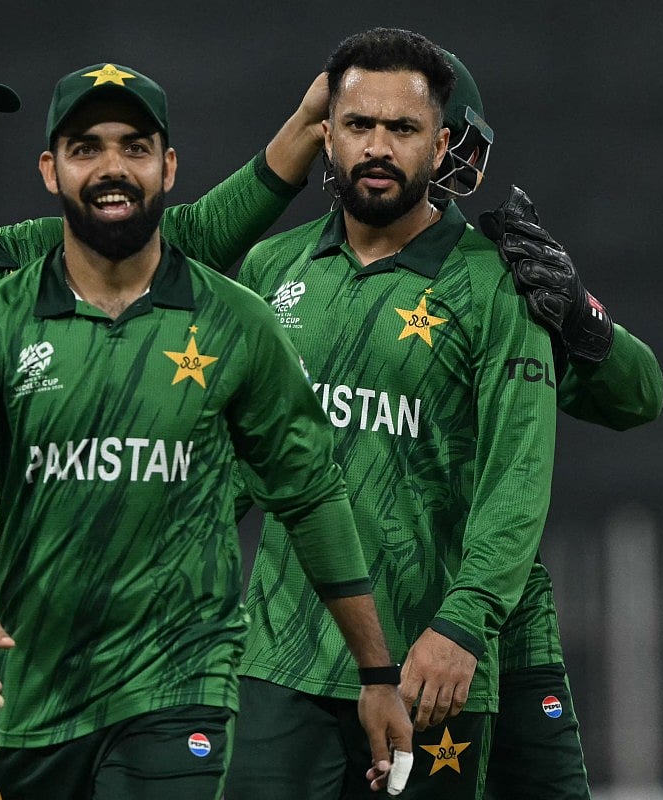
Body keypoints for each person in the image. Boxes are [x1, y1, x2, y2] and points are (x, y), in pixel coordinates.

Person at [0, 37, 334, 800]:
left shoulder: (26, 261)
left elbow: (196, 237)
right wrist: (82, 528)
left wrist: (307, 129)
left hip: (28, 664)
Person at [0, 62, 413, 800]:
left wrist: (375, 674)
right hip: (37, 698)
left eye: (135, 147)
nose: (113, 169)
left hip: (180, 682)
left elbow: (310, 494)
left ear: (168, 165)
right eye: (87, 148)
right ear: (49, 170)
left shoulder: (235, 321)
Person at [224, 27, 560, 799]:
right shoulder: (273, 269)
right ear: (327, 137)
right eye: (359, 126)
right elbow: (238, 463)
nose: (378, 146)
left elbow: (520, 472)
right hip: (282, 659)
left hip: (428, 663)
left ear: (440, 146)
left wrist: (463, 624)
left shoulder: (498, 287)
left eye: (402, 129)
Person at [433, 52, 663, 800]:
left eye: (424, 130)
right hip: (362, 642)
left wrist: (580, 313)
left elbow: (640, 395)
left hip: (506, 634)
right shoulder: (295, 276)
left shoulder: (499, 280)